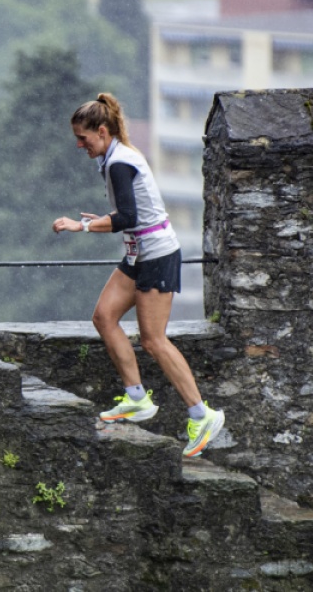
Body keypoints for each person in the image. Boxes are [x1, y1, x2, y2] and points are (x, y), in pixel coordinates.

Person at [51, 94, 225, 458]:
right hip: (138, 253)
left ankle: (201, 414)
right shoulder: (116, 156)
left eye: (83, 138)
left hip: (157, 254)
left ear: (102, 131)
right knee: (103, 316)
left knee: (153, 340)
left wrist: (82, 226)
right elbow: (130, 215)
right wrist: (97, 221)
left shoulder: (119, 162)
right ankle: (136, 399)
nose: (79, 145)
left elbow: (127, 218)